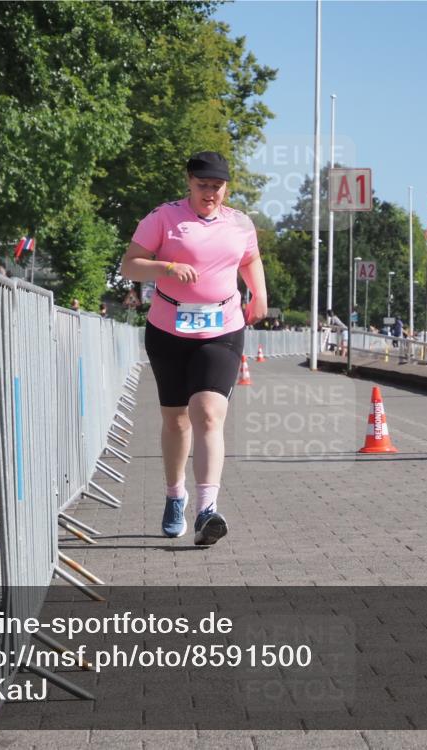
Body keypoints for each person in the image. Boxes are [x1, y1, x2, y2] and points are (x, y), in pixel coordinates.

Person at [121, 151, 267, 545]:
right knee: (176, 420)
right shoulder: (164, 218)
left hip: (222, 327)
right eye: (202, 185)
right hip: (168, 328)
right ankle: (175, 495)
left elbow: (250, 258)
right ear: (188, 181)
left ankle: (207, 510)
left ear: (226, 187)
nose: (210, 193)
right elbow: (129, 265)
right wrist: (165, 268)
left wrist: (260, 294)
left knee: (206, 412)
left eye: (217, 186)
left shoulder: (239, 223)